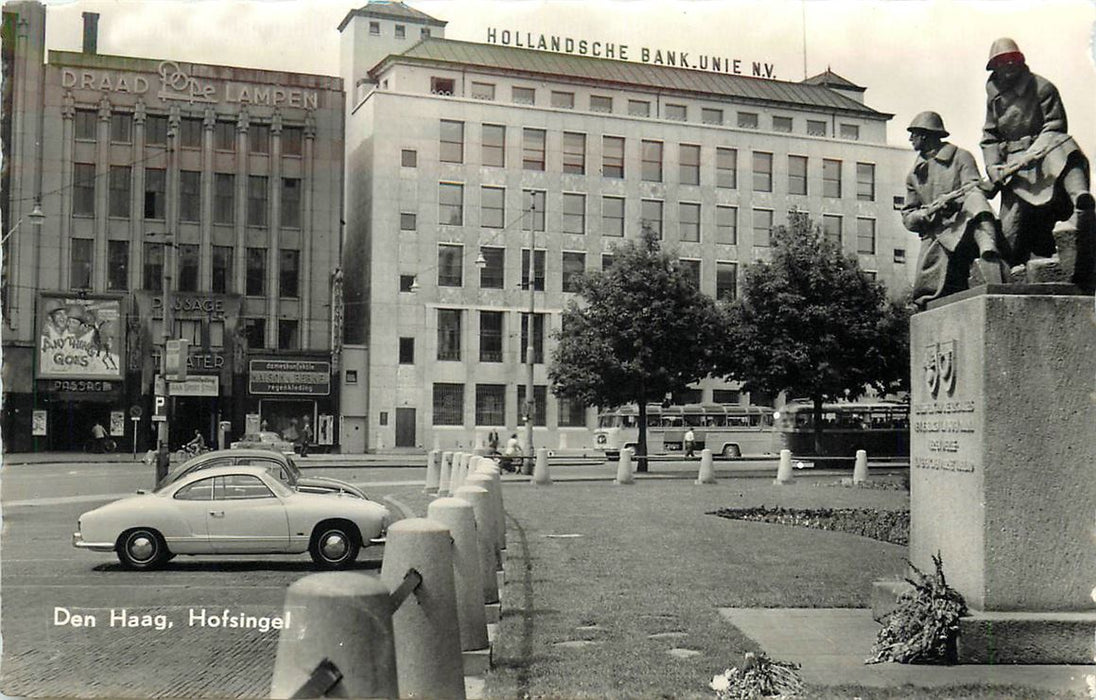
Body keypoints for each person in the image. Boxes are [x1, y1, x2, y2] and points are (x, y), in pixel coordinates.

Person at [980, 38, 1093, 283]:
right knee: (1011, 230)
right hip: (1014, 166)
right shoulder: (994, 98)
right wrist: (993, 167)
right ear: (994, 66)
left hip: (1044, 151)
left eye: (1013, 59)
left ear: (1021, 61)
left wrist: (1035, 152)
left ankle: (1080, 198)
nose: (1008, 64)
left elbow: (1056, 125)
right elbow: (989, 136)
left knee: (1066, 149)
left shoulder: (1042, 87)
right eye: (1001, 61)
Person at [901, 111, 1008, 309]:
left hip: (964, 222)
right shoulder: (914, 175)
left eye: (913, 134)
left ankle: (988, 246)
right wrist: (924, 214)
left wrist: (954, 202)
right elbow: (908, 216)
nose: (910, 139)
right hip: (936, 234)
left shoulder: (961, 157)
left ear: (924, 135)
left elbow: (973, 187)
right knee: (928, 292)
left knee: (975, 199)